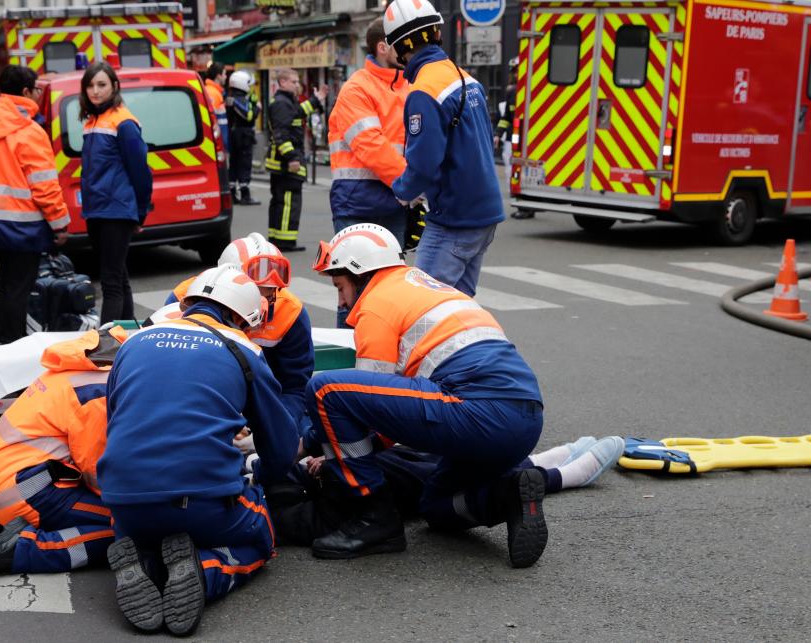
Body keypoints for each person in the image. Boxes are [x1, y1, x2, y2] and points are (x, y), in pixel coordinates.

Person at [306, 223, 546, 565]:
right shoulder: (427, 288)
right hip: (524, 422)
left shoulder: (377, 303)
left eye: (340, 286)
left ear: (359, 273)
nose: (342, 301)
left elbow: (358, 407)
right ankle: (509, 495)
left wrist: (309, 444)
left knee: (326, 388)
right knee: (436, 507)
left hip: (476, 412)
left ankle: (376, 518)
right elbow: (389, 418)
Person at [99, 264, 299, 636]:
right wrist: (261, 478)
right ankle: (207, 573)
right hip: (201, 505)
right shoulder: (244, 351)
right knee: (262, 540)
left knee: (150, 527)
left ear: (188, 301)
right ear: (241, 315)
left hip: (123, 504)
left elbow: (114, 423)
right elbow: (283, 448)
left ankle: (146, 563)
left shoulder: (135, 342)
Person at [0, 328, 125, 582]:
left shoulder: (69, 372)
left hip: (1, 479)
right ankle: (22, 550)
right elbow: (96, 473)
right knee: (126, 526)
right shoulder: (97, 392)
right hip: (26, 489)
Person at [272, 436, 626, 547]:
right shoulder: (270, 511)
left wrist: (317, 462)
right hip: (375, 490)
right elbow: (316, 519)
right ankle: (560, 472)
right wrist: (327, 470)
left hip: (375, 475)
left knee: (427, 465)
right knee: (443, 479)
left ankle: (546, 464)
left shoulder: (255, 490)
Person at [383, 0, 504, 297]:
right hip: (483, 214)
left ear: (399, 47)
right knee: (459, 308)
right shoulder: (465, 78)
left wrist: (402, 191)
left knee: (423, 307)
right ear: (436, 31)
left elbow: (424, 163)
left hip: (453, 219)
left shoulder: (424, 90)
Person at [0, 65, 70, 345]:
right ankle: (12, 345)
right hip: (25, 226)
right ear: (25, 92)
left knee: (6, 283)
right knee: (19, 288)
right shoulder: (30, 132)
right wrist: (60, 224)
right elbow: (45, 187)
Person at [162, 232, 314, 435]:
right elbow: (170, 379)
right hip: (199, 407)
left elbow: (294, 389)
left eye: (269, 293)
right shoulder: (183, 298)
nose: (260, 305)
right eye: (254, 293)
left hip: (263, 409)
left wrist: (271, 428)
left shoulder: (290, 313)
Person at [79, 61, 152, 325]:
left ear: (115, 87)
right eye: (90, 85)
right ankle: (128, 328)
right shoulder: (93, 120)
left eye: (101, 84)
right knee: (118, 275)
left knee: (110, 281)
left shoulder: (124, 122)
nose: (95, 91)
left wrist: (140, 213)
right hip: (98, 209)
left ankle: (105, 344)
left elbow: (141, 171)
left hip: (116, 210)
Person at [328, 18, 409, 242]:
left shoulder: (408, 86)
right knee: (360, 277)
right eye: (403, 42)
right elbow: (372, 147)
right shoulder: (356, 88)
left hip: (392, 203)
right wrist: (412, 184)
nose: (410, 46)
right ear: (382, 48)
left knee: (391, 277)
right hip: (358, 205)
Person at [265, 68, 328, 252]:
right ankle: (284, 241)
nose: (297, 85)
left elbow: (299, 112)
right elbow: (281, 134)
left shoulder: (286, 102)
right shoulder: (281, 104)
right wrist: (292, 158)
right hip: (286, 164)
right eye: (294, 82)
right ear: (283, 82)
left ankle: (277, 239)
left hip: (283, 162)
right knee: (287, 203)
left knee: (281, 202)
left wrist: (317, 100)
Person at [497, 57, 531, 220]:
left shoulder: (531, 89)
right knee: (512, 170)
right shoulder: (512, 92)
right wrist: (498, 133)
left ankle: (525, 204)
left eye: (519, 70)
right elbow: (506, 117)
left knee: (524, 171)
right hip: (513, 137)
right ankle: (520, 202)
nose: (517, 73)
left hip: (528, 138)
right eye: (515, 71)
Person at [225, 69, 260, 206]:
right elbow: (249, 116)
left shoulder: (231, 97)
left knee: (234, 164)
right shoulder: (237, 100)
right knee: (244, 164)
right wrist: (257, 107)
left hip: (234, 135)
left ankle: (233, 192)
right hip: (242, 136)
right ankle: (245, 194)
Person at [204, 62, 229, 158]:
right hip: (216, 144)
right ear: (218, 76)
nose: (226, 77)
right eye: (224, 74)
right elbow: (213, 121)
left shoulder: (214, 92)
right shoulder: (213, 93)